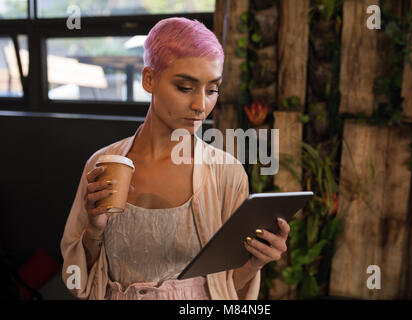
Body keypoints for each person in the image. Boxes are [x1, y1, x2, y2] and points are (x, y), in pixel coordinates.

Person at [60, 17, 290, 300]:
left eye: (212, 89)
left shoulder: (226, 174)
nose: (200, 105)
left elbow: (226, 288)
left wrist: (256, 261)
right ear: (149, 79)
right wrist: (94, 231)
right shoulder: (103, 164)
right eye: (185, 87)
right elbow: (79, 281)